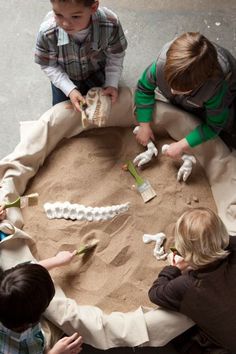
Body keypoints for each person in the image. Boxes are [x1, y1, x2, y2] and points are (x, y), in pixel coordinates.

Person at [148, 207, 236, 354]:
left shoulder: (186, 285)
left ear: (184, 252)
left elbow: (155, 293)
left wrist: (174, 268)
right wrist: (215, 243)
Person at [135, 32, 236, 158]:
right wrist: (144, 125)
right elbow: (143, 89)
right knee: (172, 100)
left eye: (181, 91)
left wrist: (181, 145)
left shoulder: (214, 88)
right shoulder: (160, 66)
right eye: (170, 85)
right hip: (194, 91)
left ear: (199, 84)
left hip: (225, 88)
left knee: (225, 121)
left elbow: (214, 125)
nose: (172, 91)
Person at [35, 0, 127, 111]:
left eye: (75, 16)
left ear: (94, 7)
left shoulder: (110, 24)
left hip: (96, 73)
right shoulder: (47, 32)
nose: (65, 24)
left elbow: (115, 55)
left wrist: (111, 83)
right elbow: (48, 65)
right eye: (58, 14)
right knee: (61, 112)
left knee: (106, 108)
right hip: (65, 75)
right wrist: (69, 90)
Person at [0, 250, 83, 354]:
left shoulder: (5, 292)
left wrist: (58, 260)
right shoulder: (15, 350)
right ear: (38, 314)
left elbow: (28, 271)